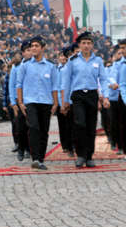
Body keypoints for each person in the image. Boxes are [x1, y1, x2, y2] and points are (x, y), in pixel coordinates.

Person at [62, 32, 109, 168]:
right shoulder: (73, 60)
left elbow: (103, 79)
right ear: (79, 45)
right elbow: (67, 81)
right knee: (80, 124)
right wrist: (65, 101)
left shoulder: (98, 61)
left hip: (92, 96)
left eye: (89, 43)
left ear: (92, 45)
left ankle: (89, 156)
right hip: (77, 96)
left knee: (90, 126)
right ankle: (80, 155)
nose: (86, 46)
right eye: (84, 43)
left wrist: (105, 96)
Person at [16, 36, 58, 170]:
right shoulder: (25, 65)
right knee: (33, 127)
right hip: (30, 102)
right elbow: (19, 85)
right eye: (32, 46)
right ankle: (35, 158)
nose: (34, 48)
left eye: (36, 46)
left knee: (44, 131)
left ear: (42, 48)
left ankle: (40, 158)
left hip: (46, 102)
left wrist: (56, 103)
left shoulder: (51, 66)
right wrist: (20, 102)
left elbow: (55, 86)